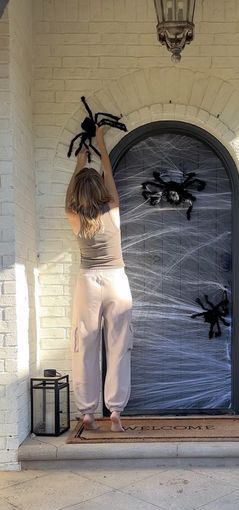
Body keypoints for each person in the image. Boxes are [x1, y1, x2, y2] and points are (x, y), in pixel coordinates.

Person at [65, 126, 132, 432]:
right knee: (118, 346)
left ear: (79, 193)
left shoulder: (74, 215)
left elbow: (70, 196)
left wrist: (80, 160)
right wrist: (102, 145)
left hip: (88, 282)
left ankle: (88, 412)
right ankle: (115, 411)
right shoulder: (113, 209)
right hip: (117, 280)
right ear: (101, 192)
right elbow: (108, 175)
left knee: (85, 346)